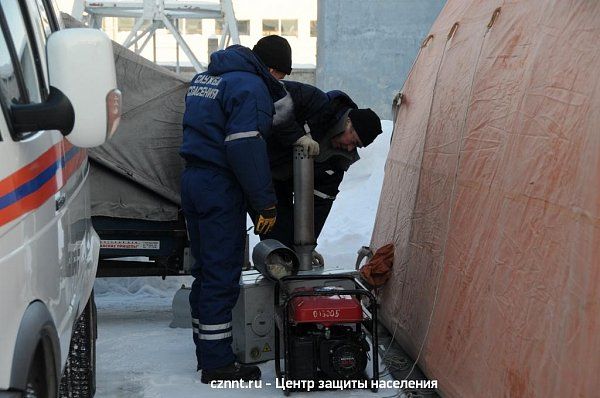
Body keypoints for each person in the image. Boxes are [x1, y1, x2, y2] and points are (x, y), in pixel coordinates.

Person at [179, 37, 289, 383]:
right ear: (272, 68)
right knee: (221, 274)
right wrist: (264, 203)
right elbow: (245, 147)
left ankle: (207, 346)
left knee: (204, 269)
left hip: (193, 180)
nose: (280, 82)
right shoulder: (251, 87)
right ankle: (218, 364)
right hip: (218, 187)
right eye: (281, 75)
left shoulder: (206, 78)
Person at [251, 81, 383, 259]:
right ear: (348, 121)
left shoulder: (338, 162)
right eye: (353, 140)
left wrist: (307, 247)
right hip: (252, 165)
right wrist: (296, 136)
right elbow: (273, 95)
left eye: (357, 146)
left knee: (283, 247)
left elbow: (320, 204)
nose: (350, 148)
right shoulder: (315, 103)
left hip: (278, 184)